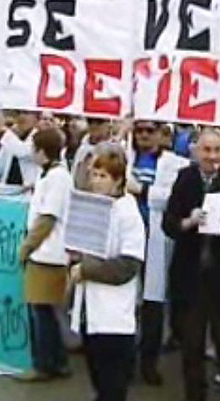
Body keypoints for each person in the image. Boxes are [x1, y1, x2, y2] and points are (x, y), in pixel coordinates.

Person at [163, 129, 220, 401]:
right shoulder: (185, 179)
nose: (212, 157)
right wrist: (187, 222)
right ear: (196, 151)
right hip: (191, 280)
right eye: (207, 150)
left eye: (217, 151)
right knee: (191, 352)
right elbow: (169, 223)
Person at [69, 147, 146, 401]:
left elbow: (128, 265)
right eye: (95, 174)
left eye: (103, 176)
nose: (96, 181)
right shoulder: (95, 207)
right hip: (90, 312)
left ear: (118, 180)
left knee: (112, 387)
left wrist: (87, 269)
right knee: (99, 382)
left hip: (114, 318)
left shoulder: (128, 212)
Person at [127, 119, 190, 386]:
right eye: (139, 130)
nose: (143, 135)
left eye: (149, 131)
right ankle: (126, 361)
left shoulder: (175, 163)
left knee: (153, 305)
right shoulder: (124, 157)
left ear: (160, 134)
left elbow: (174, 197)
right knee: (127, 305)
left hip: (154, 240)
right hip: (127, 241)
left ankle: (149, 364)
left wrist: (142, 190)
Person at [17, 128, 72, 381]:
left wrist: (27, 246)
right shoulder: (48, 175)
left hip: (48, 253)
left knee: (42, 312)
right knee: (45, 311)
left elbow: (47, 219)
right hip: (44, 252)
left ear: (42, 151)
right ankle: (57, 361)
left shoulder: (59, 178)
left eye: (33, 149)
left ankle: (45, 363)